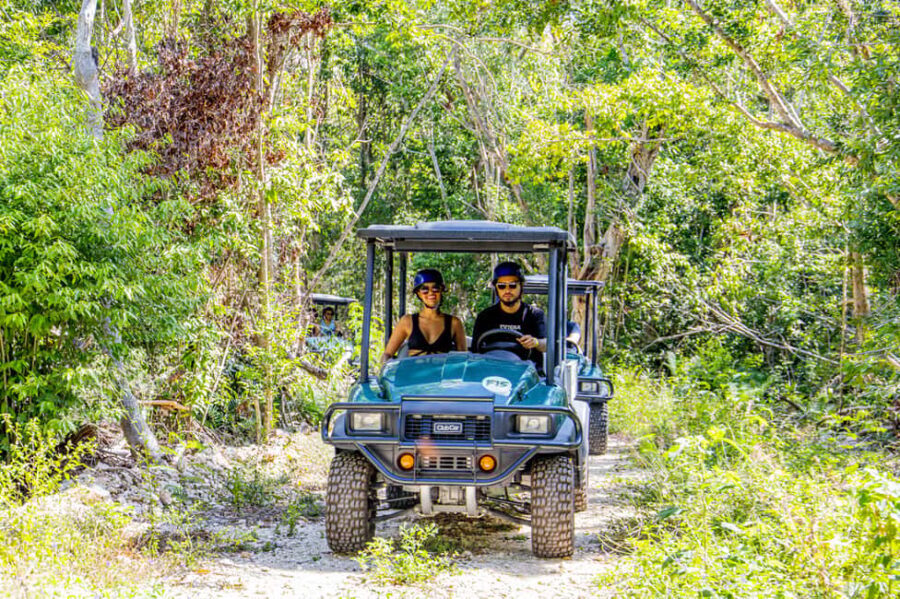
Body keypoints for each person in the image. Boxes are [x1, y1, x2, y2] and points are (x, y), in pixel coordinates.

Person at [472, 261, 546, 371]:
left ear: (521, 286)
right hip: (492, 372)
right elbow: (475, 351)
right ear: (496, 288)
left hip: (527, 374)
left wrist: (535, 342)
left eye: (512, 285)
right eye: (502, 286)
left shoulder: (534, 315)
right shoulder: (485, 316)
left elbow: (546, 344)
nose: (507, 290)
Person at [381, 268, 467, 364]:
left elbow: (463, 358)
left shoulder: (454, 323)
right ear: (418, 293)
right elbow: (387, 354)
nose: (431, 293)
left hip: (442, 376)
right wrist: (385, 368)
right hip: (413, 376)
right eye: (425, 289)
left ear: (441, 290)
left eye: (435, 288)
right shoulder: (407, 322)